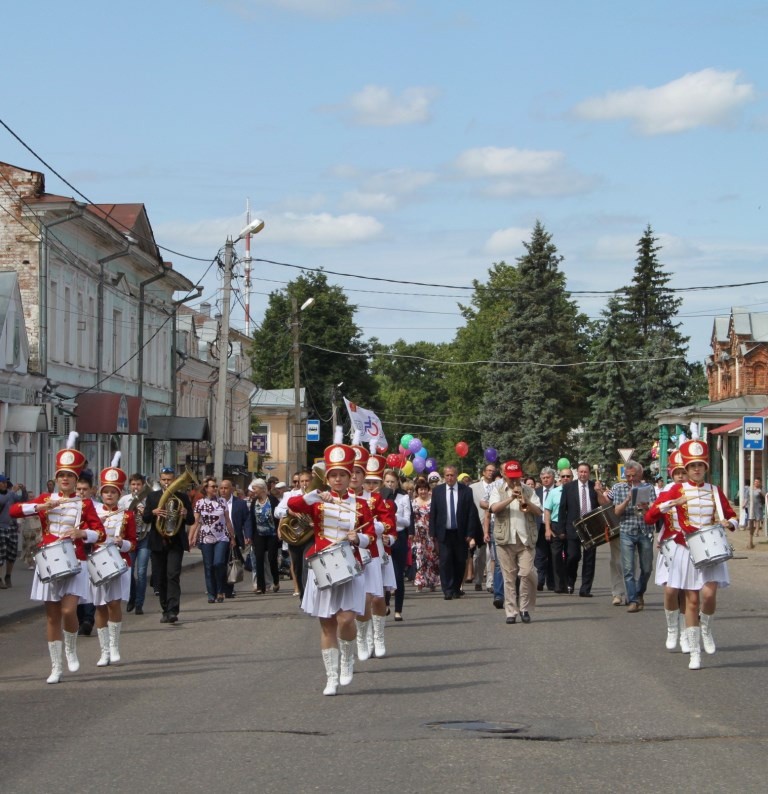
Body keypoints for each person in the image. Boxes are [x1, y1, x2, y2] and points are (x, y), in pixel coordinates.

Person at [10, 433, 105, 683]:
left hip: (75, 561)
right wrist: (39, 508)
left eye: (70, 476)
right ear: (56, 479)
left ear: (76, 480)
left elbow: (100, 532)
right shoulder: (45, 499)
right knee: (52, 615)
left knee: (68, 609)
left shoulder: (85, 505)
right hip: (48, 560)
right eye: (62, 475)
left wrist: (83, 532)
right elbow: (13, 510)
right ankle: (56, 666)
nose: (65, 479)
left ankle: (71, 649)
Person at [287, 436, 374, 696]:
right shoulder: (319, 501)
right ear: (328, 477)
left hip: (349, 565)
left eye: (342, 475)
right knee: (327, 623)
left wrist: (357, 537)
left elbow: (370, 535)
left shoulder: (360, 505)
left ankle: (347, 660)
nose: (337, 479)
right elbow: (293, 505)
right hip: (323, 565)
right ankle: (331, 677)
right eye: (333, 475)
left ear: (350, 478)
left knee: (347, 618)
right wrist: (312, 495)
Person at [644, 438, 736, 670]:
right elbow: (650, 516)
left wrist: (729, 522)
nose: (696, 469)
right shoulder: (676, 489)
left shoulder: (715, 491)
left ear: (705, 467)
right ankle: (695, 652)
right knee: (692, 600)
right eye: (692, 466)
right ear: (686, 468)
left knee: (709, 595)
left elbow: (733, 515)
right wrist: (673, 502)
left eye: (700, 465)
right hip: (685, 549)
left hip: (711, 548)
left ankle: (706, 629)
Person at [91, 457, 137, 666]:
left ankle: (115, 645)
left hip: (120, 561)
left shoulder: (127, 515)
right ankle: (104, 650)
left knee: (114, 603)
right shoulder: (93, 514)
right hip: (98, 562)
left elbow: (134, 542)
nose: (109, 495)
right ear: (101, 494)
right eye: (106, 492)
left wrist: (122, 543)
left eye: (113, 492)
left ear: (119, 494)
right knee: (100, 606)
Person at [647, 450, 689, 652]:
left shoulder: (696, 490)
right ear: (671, 473)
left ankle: (686, 632)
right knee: (671, 590)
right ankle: (672, 628)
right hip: (671, 543)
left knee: (689, 593)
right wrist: (666, 505)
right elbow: (651, 516)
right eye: (677, 471)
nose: (680, 475)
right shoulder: (667, 492)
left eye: (684, 471)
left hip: (692, 546)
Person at [489, 460, 541, 624]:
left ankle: (524, 608)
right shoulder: (498, 490)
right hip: (505, 540)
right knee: (509, 577)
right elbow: (494, 508)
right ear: (504, 475)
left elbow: (539, 511)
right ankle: (511, 612)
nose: (514, 481)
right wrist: (511, 498)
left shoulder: (530, 491)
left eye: (517, 477)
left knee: (526, 574)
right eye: (511, 478)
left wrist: (526, 500)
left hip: (525, 539)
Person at [143, 466, 195, 623]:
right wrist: (154, 512)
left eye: (170, 480)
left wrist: (185, 514)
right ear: (160, 480)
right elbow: (145, 518)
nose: (167, 483)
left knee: (172, 575)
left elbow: (191, 520)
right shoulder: (152, 497)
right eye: (164, 480)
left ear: (175, 481)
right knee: (159, 578)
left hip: (175, 542)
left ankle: (173, 610)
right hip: (158, 542)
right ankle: (165, 608)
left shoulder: (182, 497)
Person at [359, 451, 397, 658]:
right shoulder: (345, 498)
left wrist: (381, 531)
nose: (370, 485)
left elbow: (390, 524)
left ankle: (378, 636)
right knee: (360, 598)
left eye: (374, 481)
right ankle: (363, 638)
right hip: (352, 550)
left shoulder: (378, 500)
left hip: (375, 549)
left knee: (377, 597)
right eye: (368, 481)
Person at [604, 460, 654, 613]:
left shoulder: (648, 487)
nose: (631, 479)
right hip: (626, 531)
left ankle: (639, 593)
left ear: (640, 474)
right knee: (628, 568)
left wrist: (646, 507)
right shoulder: (619, 488)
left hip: (645, 530)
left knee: (646, 568)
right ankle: (632, 600)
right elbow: (616, 512)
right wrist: (627, 500)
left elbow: (654, 509)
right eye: (628, 476)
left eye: (634, 476)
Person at [429, 464, 482, 600]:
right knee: (445, 561)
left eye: (452, 475)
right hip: (444, 533)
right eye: (447, 475)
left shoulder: (466, 491)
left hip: (460, 532)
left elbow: (471, 513)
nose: (450, 478)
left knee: (460, 561)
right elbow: (433, 513)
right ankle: (447, 589)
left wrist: (470, 534)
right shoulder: (438, 491)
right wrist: (433, 534)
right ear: (444, 476)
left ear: (456, 475)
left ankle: (456, 587)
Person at [555, 462, 605, 596]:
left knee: (589, 559)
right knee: (573, 556)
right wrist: (561, 530)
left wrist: (599, 491)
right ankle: (570, 580)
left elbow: (602, 504)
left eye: (585, 472)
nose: (583, 474)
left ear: (589, 473)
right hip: (573, 526)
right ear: (577, 473)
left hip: (591, 527)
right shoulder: (569, 487)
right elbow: (562, 509)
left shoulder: (594, 486)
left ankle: (585, 589)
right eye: (581, 472)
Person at [189, 478, 235, 603]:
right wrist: (191, 538)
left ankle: (220, 590)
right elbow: (195, 522)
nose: (216, 489)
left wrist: (232, 537)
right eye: (213, 486)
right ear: (206, 489)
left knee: (219, 563)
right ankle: (211, 594)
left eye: (216, 486)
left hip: (221, 537)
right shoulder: (200, 503)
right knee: (208, 566)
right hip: (205, 538)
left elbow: (228, 520)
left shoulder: (222, 502)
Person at [275, 469, 314, 598]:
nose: (304, 484)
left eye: (307, 481)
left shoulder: (316, 494)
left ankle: (309, 597)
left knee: (307, 565)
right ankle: (302, 596)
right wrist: (289, 512)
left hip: (310, 536)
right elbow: (277, 511)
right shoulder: (291, 495)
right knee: (297, 568)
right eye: (302, 481)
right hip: (296, 536)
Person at [381, 468, 411, 622]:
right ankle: (385, 604)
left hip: (398, 536)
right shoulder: (380, 497)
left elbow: (407, 521)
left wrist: (394, 517)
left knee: (398, 574)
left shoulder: (403, 497)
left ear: (397, 482)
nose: (390, 484)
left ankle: (398, 609)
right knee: (384, 572)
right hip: (383, 536)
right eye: (387, 481)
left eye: (392, 481)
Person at [119, 473, 150, 614]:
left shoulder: (149, 500)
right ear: (129, 485)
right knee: (128, 571)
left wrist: (146, 512)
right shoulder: (124, 500)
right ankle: (132, 596)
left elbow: (152, 520)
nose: (135, 487)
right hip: (129, 540)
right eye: (133, 484)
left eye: (138, 484)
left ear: (143, 485)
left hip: (144, 537)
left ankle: (139, 604)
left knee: (142, 572)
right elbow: (120, 519)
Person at [246, 478, 280, 594]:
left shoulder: (273, 500)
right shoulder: (254, 502)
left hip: (272, 534)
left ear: (261, 488)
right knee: (259, 558)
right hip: (259, 534)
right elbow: (251, 519)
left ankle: (276, 581)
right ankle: (261, 586)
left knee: (271, 559)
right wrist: (249, 535)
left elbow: (279, 516)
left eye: (254, 489)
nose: (253, 491)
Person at [219, 479, 252, 598]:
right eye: (221, 488)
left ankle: (228, 589)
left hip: (234, 538)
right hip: (218, 537)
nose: (223, 490)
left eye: (226, 488)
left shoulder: (240, 503)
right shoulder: (215, 503)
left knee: (231, 563)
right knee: (219, 563)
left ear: (232, 489)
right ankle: (219, 588)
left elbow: (247, 520)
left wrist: (247, 535)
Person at [470, 463, 498, 595]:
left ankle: (490, 582)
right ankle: (478, 579)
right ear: (483, 472)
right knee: (478, 556)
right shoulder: (473, 488)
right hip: (477, 523)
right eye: (488, 470)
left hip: (493, 523)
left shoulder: (497, 486)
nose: (490, 473)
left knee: (490, 555)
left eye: (493, 471)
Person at [411, 477, 439, 591]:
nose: (423, 491)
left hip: (431, 533)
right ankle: (419, 583)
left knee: (432, 558)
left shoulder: (433, 501)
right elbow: (410, 518)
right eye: (420, 489)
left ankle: (432, 582)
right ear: (417, 490)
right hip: (418, 534)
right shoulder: (413, 502)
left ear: (428, 489)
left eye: (424, 489)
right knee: (419, 557)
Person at [0, 475, 27, 588]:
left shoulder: (11, 495)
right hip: (1, 527)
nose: (5, 484)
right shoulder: (7, 495)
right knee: (1, 553)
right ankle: (0, 579)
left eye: (6, 482)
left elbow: (23, 501)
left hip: (12, 527)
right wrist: (12, 491)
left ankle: (8, 576)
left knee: (12, 553)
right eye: (3, 482)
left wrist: (24, 490)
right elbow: (2, 501)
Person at [534, 468, 555, 592]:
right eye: (543, 478)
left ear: (552, 478)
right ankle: (540, 581)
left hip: (554, 526)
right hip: (539, 526)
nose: (546, 480)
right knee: (540, 556)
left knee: (553, 555)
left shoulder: (559, 491)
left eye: (548, 477)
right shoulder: (536, 492)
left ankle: (551, 582)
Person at [742, 478, 765, 549]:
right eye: (755, 481)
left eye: (758, 482)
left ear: (759, 483)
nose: (756, 483)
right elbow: (746, 497)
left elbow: (765, 496)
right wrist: (744, 504)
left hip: (758, 505)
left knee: (758, 519)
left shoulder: (760, 490)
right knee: (751, 518)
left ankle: (757, 531)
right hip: (750, 506)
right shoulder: (749, 489)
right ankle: (751, 530)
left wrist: (761, 493)